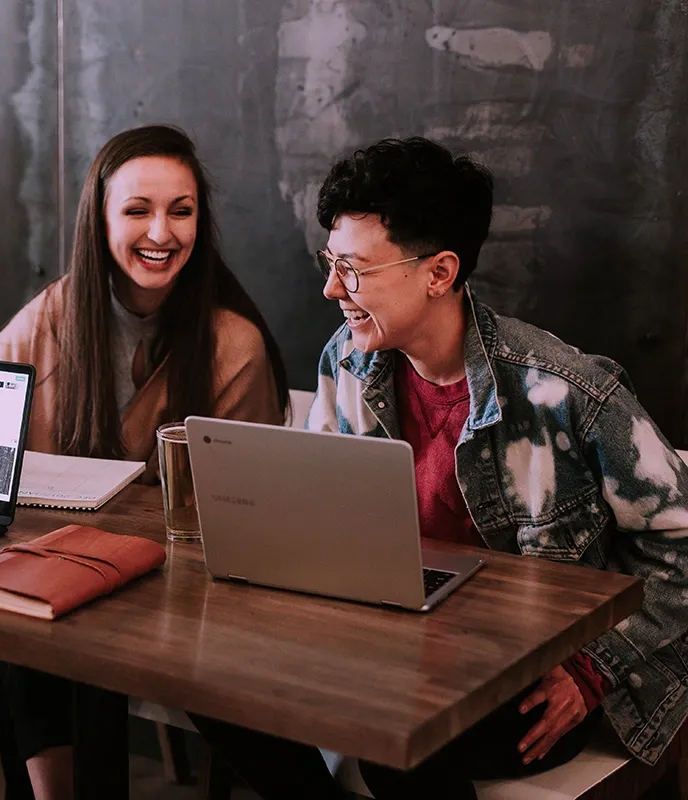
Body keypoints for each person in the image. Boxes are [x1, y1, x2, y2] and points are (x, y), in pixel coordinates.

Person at [192, 136, 688, 799]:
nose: (331, 287)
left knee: (400, 740)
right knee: (209, 682)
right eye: (330, 262)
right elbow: (320, 526)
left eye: (354, 268)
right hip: (391, 646)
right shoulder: (347, 361)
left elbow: (678, 545)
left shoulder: (565, 391)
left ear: (439, 272)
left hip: (527, 671)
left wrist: (593, 669)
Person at [0, 124, 288, 799]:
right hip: (63, 575)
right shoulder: (60, 310)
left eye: (181, 210)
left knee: (40, 631)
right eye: (137, 210)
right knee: (12, 620)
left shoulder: (232, 344)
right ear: (100, 219)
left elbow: (246, 512)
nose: (162, 232)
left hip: (179, 596)